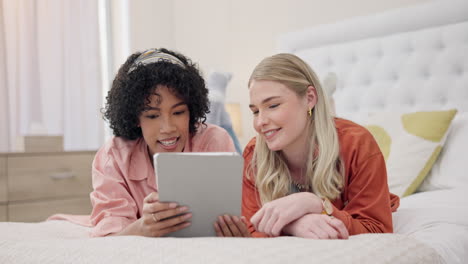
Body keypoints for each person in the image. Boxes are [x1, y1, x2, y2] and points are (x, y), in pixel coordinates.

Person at [49, 48, 236, 237]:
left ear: (191, 111)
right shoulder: (113, 157)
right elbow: (110, 239)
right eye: (153, 115)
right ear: (135, 118)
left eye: (178, 112)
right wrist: (142, 228)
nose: (168, 127)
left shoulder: (214, 141)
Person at [214, 53, 399, 239]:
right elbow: (250, 228)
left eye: (273, 105)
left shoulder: (357, 144)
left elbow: (377, 229)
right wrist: (293, 225)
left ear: (309, 97)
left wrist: (316, 204)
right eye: (255, 111)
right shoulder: (254, 154)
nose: (259, 122)